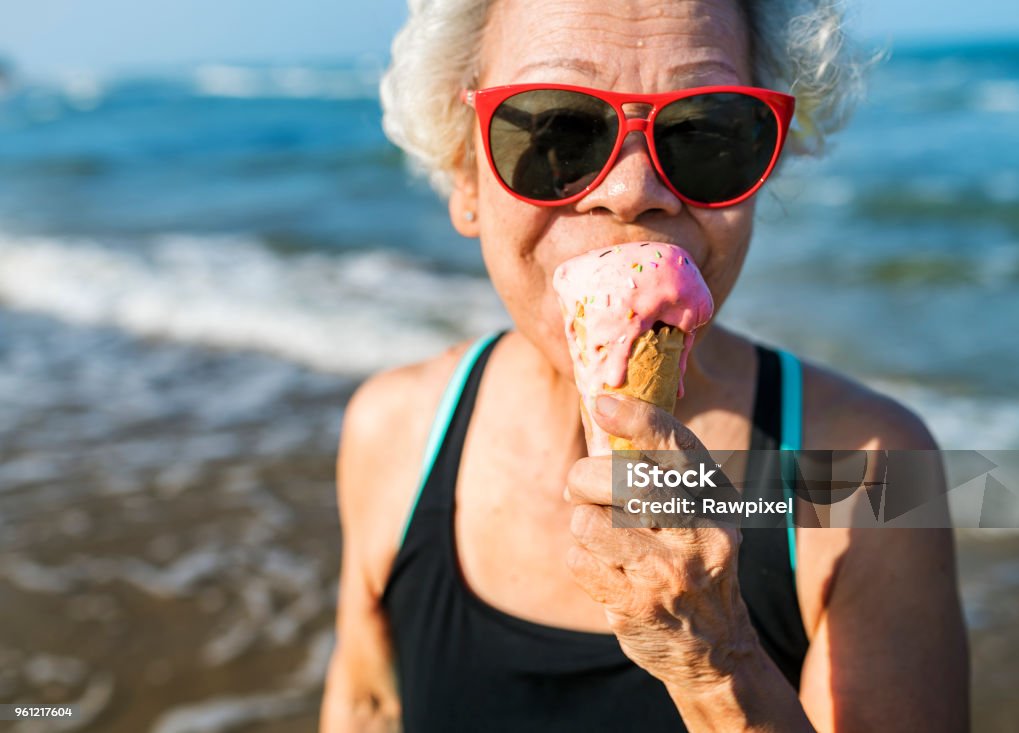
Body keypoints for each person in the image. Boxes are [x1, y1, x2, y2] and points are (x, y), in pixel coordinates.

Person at [321, 0, 969, 730]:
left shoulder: (875, 470)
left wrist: (718, 664)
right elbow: (367, 701)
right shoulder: (394, 430)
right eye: (558, 130)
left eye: (706, 131)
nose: (633, 190)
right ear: (466, 172)